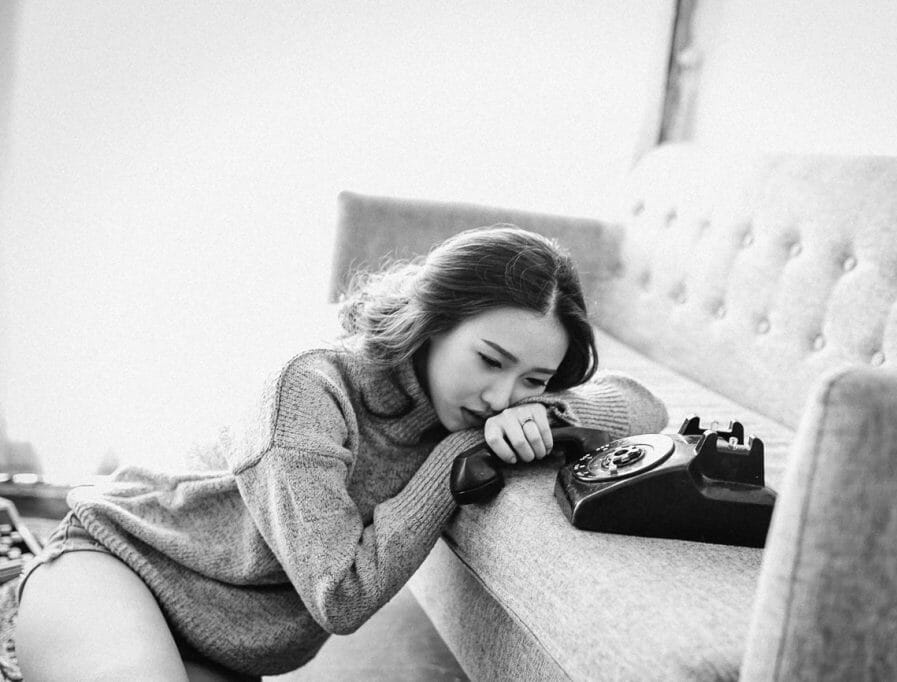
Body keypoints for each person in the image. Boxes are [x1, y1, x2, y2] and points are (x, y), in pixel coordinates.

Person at [14, 225, 667, 680]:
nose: (502, 398)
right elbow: (340, 597)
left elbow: (643, 406)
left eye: (533, 378)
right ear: (431, 323)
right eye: (491, 360)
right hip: (117, 570)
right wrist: (459, 456)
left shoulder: (474, 399)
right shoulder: (309, 390)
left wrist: (550, 412)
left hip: (219, 648)